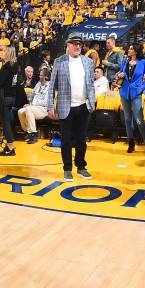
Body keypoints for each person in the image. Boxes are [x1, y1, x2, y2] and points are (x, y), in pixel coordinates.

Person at [47, 33, 96, 181]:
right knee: (66, 139)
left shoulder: (88, 62)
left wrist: (92, 102)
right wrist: (50, 106)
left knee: (81, 139)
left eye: (79, 43)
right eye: (74, 43)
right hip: (65, 106)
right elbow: (52, 87)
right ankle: (67, 169)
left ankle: (81, 167)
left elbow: (91, 84)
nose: (77, 46)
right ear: (68, 45)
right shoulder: (59, 61)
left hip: (83, 107)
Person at [117, 43, 145, 154]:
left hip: (136, 93)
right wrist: (120, 74)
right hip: (124, 92)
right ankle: (131, 143)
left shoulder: (143, 63)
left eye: (131, 48)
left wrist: (141, 88)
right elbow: (120, 74)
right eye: (129, 48)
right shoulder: (125, 61)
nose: (129, 50)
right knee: (127, 120)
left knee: (139, 120)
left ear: (136, 51)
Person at [18, 67, 50, 144]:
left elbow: (46, 102)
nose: (39, 76)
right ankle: (28, 132)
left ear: (46, 77)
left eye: (41, 75)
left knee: (29, 110)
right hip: (34, 107)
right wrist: (29, 103)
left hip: (43, 109)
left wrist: (32, 105)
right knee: (20, 111)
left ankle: (34, 134)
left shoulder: (50, 87)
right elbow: (32, 95)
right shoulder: (38, 84)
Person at [0, 46, 19, 156]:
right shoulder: (15, 66)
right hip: (12, 97)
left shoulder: (6, 66)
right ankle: (8, 146)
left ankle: (11, 148)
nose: (2, 53)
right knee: (7, 121)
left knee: (5, 123)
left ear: (8, 53)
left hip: (5, 97)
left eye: (4, 51)